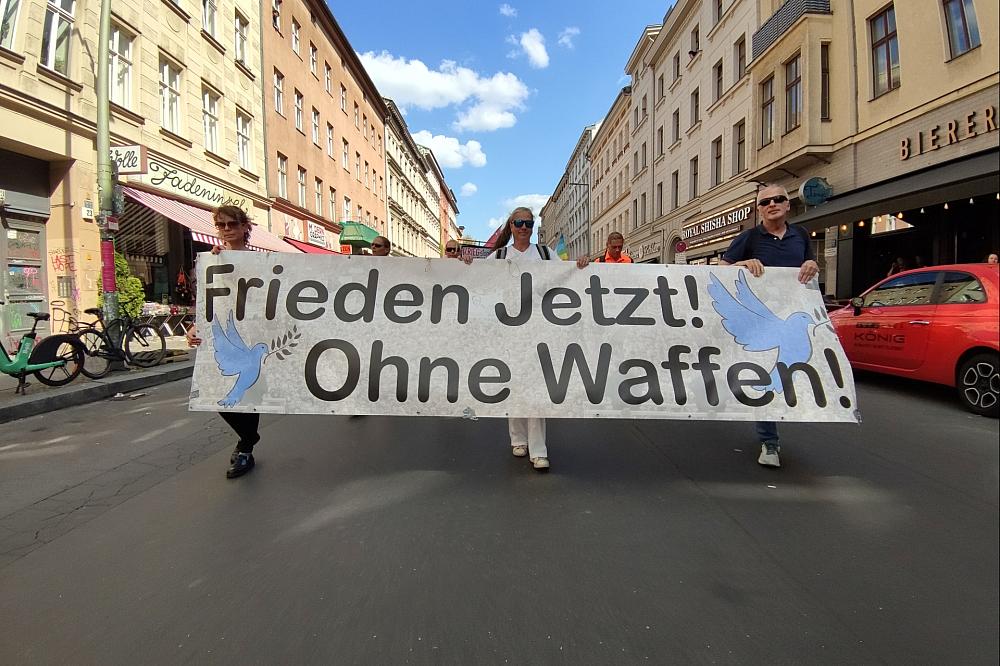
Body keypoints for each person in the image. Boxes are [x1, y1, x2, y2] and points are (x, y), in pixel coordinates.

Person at [467, 207, 588, 472]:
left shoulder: (545, 253)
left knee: (535, 385)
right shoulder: (499, 255)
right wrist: (465, 264)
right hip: (507, 329)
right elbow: (474, 277)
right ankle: (518, 439)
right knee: (513, 382)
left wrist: (579, 266)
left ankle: (539, 449)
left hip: (539, 329)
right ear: (511, 226)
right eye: (519, 223)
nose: (524, 228)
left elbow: (567, 276)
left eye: (529, 223)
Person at [719, 184, 820, 468]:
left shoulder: (800, 235)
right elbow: (719, 270)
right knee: (769, 373)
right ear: (759, 209)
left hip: (794, 317)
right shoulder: (749, 237)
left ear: (788, 205)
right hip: (760, 322)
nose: (772, 204)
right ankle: (770, 442)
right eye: (765, 202)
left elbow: (809, 265)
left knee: (788, 374)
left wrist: (813, 263)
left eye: (779, 199)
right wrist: (740, 264)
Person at [185, 205, 263, 479]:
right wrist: (195, 327)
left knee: (248, 395)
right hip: (223, 332)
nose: (226, 230)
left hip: (253, 335)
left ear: (245, 228)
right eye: (221, 225)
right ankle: (249, 439)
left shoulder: (260, 262)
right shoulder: (211, 261)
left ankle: (245, 450)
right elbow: (209, 300)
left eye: (232, 224)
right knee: (217, 397)